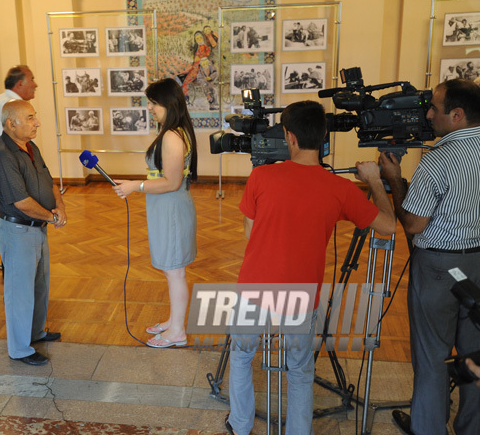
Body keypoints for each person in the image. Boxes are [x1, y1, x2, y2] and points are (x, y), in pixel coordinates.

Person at [226, 100, 396, 435]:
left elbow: (250, 233)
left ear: (289, 136)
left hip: (255, 287)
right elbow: (389, 226)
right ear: (324, 137)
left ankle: (240, 425)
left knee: (242, 357)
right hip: (301, 296)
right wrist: (375, 180)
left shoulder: (260, 176)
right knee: (300, 370)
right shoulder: (341, 189)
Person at [380, 79, 480, 435]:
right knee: (476, 356)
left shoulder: (439, 160)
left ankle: (429, 429)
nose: (427, 114)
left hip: (439, 267)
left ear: (456, 115)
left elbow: (412, 224)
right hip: (479, 263)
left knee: (432, 358)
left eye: (434, 108)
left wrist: (393, 178)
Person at [112, 78, 198, 348]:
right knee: (172, 269)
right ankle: (174, 321)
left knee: (175, 271)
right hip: (166, 207)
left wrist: (135, 187)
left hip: (171, 207)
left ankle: (177, 332)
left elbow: (171, 182)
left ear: (168, 104)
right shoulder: (174, 131)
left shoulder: (172, 136)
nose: (149, 108)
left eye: (153, 103)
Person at [0, 99, 67, 366]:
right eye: (31, 118)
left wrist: (60, 207)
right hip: (18, 232)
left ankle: (35, 333)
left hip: (38, 228)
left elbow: (48, 180)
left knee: (39, 286)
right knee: (20, 292)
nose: (37, 123)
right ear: (12, 123)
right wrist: (52, 216)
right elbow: (21, 202)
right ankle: (20, 349)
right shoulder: (2, 156)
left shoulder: (30, 147)